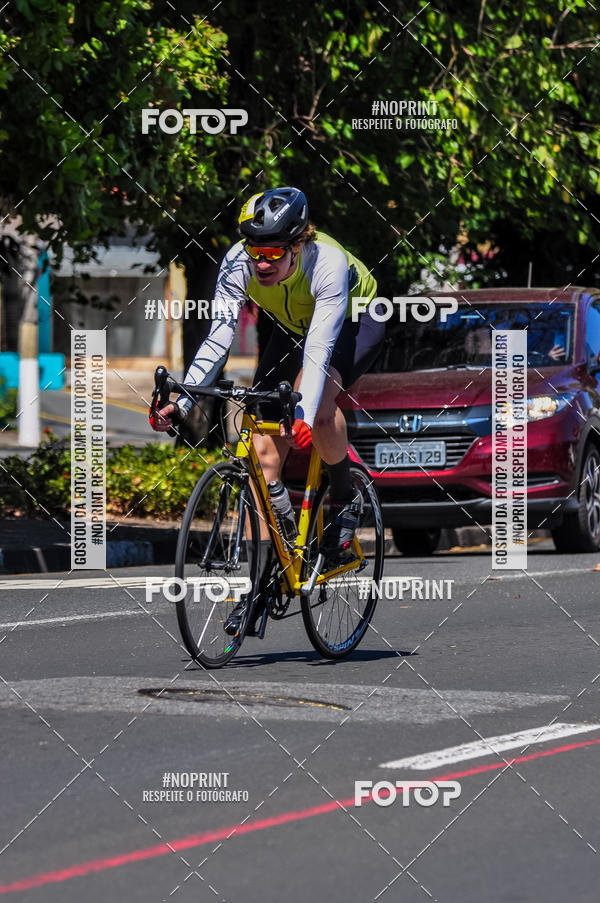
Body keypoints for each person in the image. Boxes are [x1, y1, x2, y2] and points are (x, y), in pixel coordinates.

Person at [150, 187, 384, 633]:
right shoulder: (238, 260)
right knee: (261, 453)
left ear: (298, 243)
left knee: (314, 406)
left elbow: (319, 349)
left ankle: (343, 496)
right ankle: (261, 584)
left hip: (355, 322)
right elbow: (218, 338)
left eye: (274, 252)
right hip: (290, 325)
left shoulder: (327, 263)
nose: (261, 263)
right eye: (256, 251)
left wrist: (302, 410)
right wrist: (182, 402)